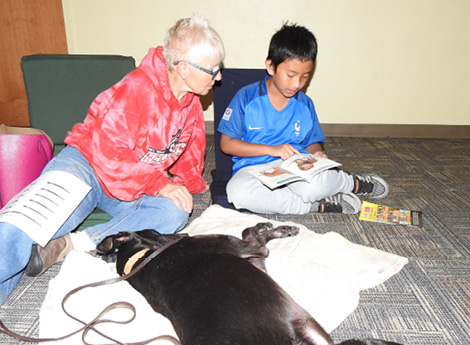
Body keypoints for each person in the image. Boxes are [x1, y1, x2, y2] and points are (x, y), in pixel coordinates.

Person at [0, 14, 225, 303]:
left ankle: (71, 244)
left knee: (175, 211)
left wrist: (188, 181)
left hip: (132, 185)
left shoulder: (191, 100)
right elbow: (109, 152)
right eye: (212, 69)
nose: (218, 76)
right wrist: (160, 184)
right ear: (182, 69)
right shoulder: (136, 88)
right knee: (29, 221)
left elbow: (189, 144)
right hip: (89, 164)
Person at [217, 23, 388, 215]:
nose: (297, 84)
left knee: (314, 187)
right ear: (271, 66)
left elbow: (312, 142)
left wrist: (317, 154)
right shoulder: (246, 97)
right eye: (290, 75)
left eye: (305, 77)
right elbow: (227, 144)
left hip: (294, 166)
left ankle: (351, 182)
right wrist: (271, 150)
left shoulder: (305, 104)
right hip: (252, 168)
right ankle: (314, 206)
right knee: (238, 194)